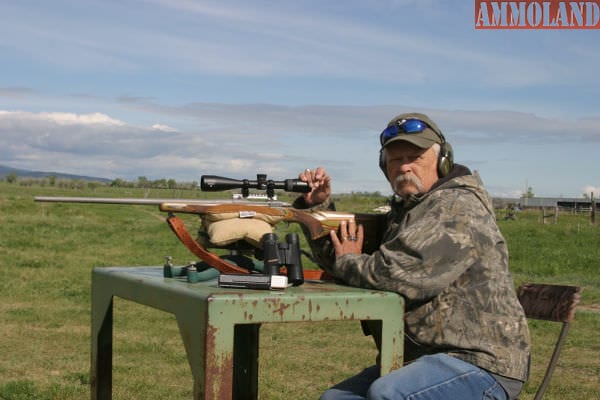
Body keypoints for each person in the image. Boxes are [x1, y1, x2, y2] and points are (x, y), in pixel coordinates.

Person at [295, 112, 530, 400]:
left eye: (415, 157)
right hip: (422, 359)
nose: (404, 166)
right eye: (395, 159)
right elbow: (347, 258)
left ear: (443, 161)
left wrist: (349, 261)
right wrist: (318, 208)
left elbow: (397, 274)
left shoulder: (455, 207)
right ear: (385, 167)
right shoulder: (408, 212)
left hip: (481, 362)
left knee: (390, 394)